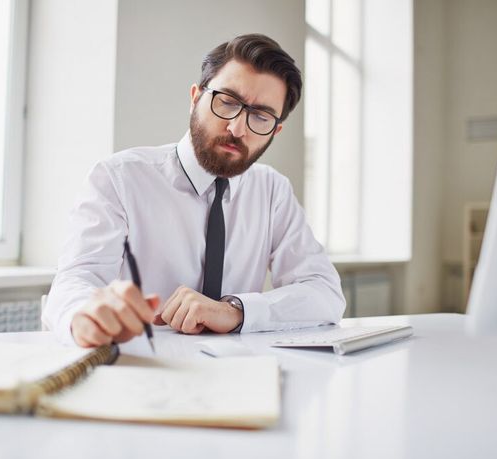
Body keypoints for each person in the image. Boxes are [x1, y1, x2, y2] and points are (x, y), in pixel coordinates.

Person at [44, 33, 346, 347]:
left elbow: (324, 293)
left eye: (260, 116)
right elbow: (74, 281)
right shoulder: (119, 177)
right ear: (195, 98)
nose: (237, 129)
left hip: (237, 375)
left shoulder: (272, 191)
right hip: (139, 368)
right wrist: (86, 317)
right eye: (227, 101)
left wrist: (236, 311)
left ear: (275, 130)